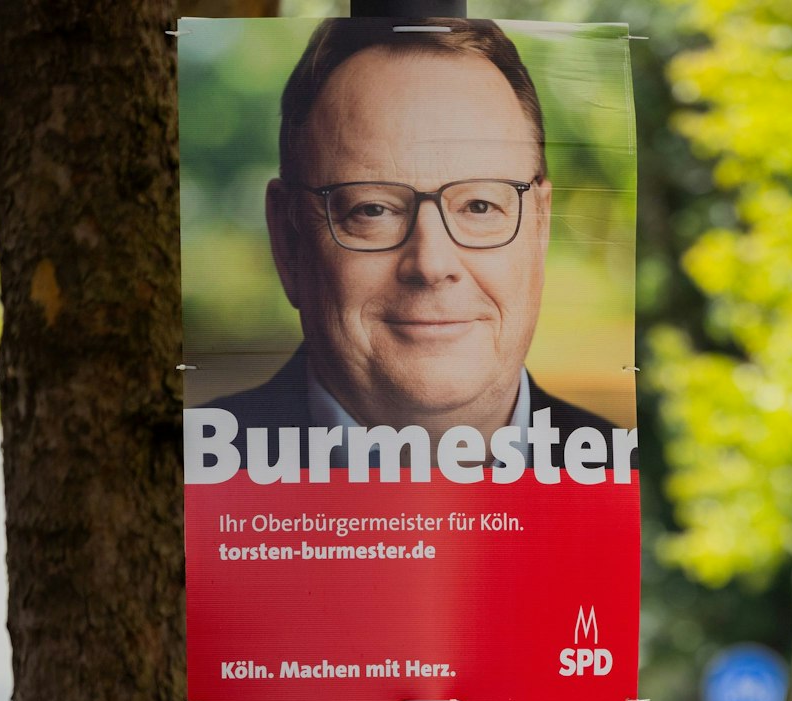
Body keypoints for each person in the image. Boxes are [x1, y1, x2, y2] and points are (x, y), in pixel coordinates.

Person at [211, 16, 614, 469]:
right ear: (289, 242)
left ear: (540, 227)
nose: (431, 263)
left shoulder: (653, 488)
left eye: (479, 206)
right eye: (372, 209)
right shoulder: (176, 478)